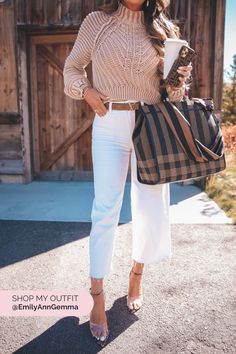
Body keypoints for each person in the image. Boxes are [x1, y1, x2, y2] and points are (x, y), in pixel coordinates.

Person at [63, 0, 192, 347]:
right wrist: (85, 91)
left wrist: (178, 81)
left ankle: (136, 275)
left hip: (151, 126)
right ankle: (97, 296)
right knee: (105, 210)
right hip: (109, 124)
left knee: (151, 208)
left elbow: (172, 95)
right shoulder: (97, 22)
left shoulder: (165, 29)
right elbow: (72, 68)